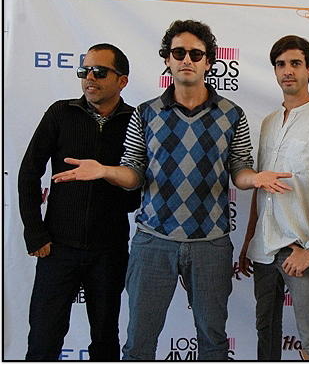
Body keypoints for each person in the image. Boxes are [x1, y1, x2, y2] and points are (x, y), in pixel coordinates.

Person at [52, 20, 292, 360]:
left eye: (196, 54)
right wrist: (105, 170)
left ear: (209, 61)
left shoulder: (231, 114)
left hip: (210, 244)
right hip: (153, 241)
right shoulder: (145, 113)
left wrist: (253, 179)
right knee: (139, 342)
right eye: (179, 53)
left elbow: (239, 169)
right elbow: (133, 174)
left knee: (213, 341)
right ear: (167, 59)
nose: (187, 60)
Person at [18, 43, 140, 360]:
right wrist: (35, 232)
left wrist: (111, 180)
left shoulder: (136, 121)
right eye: (84, 70)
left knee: (105, 341)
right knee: (43, 341)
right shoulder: (61, 112)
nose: (90, 78)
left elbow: (139, 186)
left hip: (109, 250)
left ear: (122, 80)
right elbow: (29, 172)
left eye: (99, 71)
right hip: (57, 248)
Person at [238, 35, 309, 360]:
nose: (288, 71)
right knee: (265, 332)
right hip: (262, 248)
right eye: (281, 64)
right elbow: (261, 188)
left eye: (296, 63)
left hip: (300, 249)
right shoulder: (269, 123)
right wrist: (248, 241)